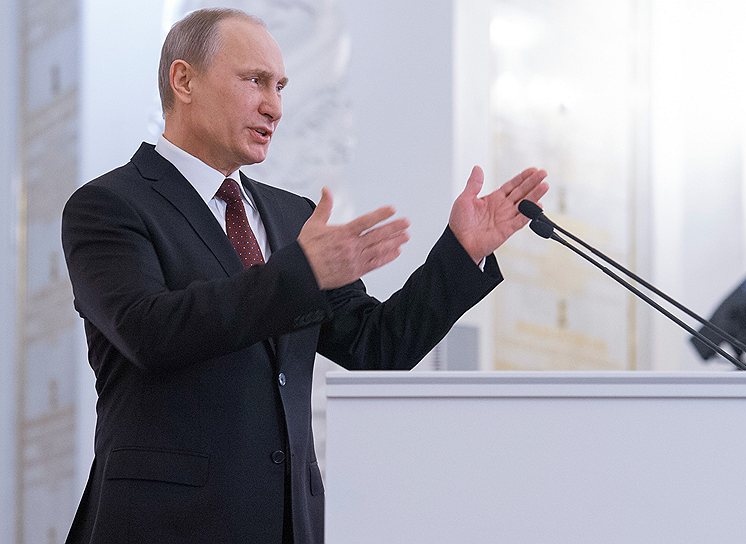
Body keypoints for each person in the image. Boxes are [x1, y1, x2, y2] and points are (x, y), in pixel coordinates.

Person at [61, 7, 548, 544]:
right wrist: (301, 273)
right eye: (254, 80)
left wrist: (461, 252)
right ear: (184, 80)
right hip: (164, 524)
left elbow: (377, 347)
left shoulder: (293, 217)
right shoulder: (109, 206)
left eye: (280, 87)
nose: (274, 106)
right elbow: (150, 332)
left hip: (289, 524)